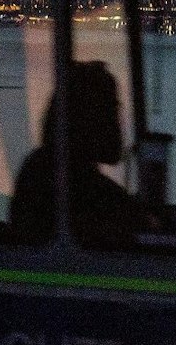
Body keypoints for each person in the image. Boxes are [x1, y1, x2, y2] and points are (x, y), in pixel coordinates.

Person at [10, 60, 151, 249]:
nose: (119, 121)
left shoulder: (39, 168)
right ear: (91, 120)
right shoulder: (94, 194)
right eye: (111, 108)